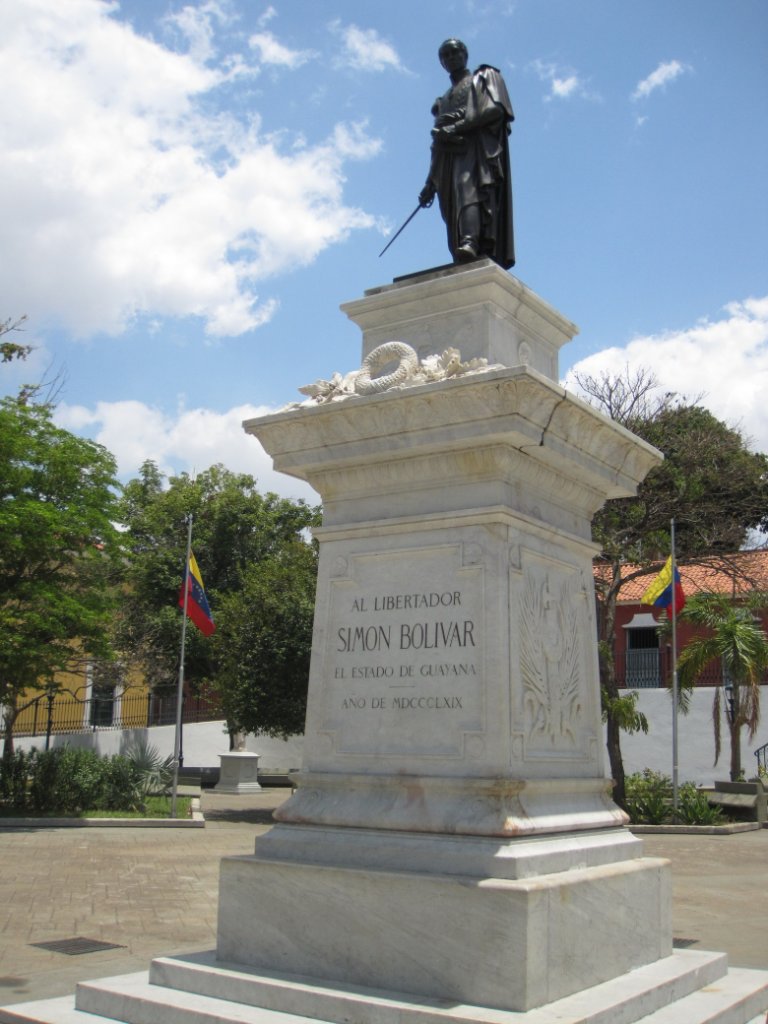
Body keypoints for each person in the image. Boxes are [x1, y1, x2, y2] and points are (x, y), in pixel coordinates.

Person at [419, 39, 515, 268]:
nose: (451, 58)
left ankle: (471, 241)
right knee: (451, 210)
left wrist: (457, 126)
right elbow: (437, 144)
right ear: (442, 63)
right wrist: (430, 183)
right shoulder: (443, 100)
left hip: (473, 150)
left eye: (455, 52)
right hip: (447, 159)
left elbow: (495, 110)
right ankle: (462, 248)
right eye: (446, 56)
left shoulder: (482, 78)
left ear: (465, 54)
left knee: (468, 191)